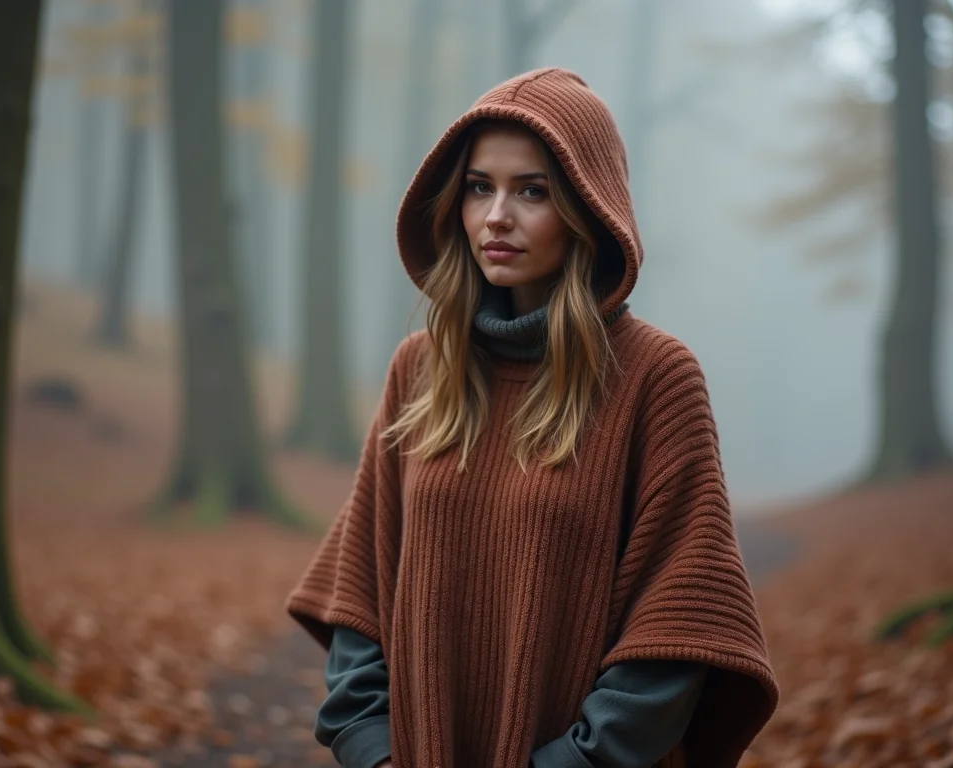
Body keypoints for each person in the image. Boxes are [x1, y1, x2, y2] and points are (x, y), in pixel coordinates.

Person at [286, 67, 778, 768]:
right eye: (478, 186)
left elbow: (678, 625)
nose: (496, 216)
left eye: (532, 191)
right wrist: (375, 751)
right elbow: (360, 595)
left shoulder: (655, 377)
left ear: (589, 209)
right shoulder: (421, 368)